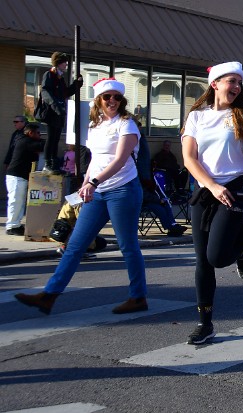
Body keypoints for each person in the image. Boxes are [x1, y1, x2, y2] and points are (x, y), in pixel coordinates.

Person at [15, 78, 147, 315]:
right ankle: (49, 295)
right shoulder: (95, 126)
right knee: (75, 245)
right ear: (98, 100)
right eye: (107, 97)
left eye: (117, 97)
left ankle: (138, 297)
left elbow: (120, 160)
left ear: (122, 100)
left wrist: (94, 182)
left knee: (128, 246)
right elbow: (96, 158)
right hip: (97, 192)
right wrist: (86, 182)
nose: (112, 101)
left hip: (123, 190)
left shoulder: (126, 124)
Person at [181, 61, 243, 345]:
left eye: (239, 83)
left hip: (235, 188)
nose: (236, 87)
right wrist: (211, 185)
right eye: (231, 81)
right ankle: (205, 323)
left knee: (217, 257)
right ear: (215, 84)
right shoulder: (197, 117)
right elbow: (190, 158)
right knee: (203, 262)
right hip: (206, 189)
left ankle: (241, 247)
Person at [133, 124, 187, 237]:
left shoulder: (150, 178)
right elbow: (144, 194)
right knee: (159, 207)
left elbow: (155, 190)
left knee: (166, 203)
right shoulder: (139, 177)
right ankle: (170, 227)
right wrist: (158, 200)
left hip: (151, 197)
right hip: (143, 200)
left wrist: (161, 199)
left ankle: (173, 225)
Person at [40, 51, 83, 174]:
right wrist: (55, 104)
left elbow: (65, 93)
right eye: (64, 62)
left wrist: (76, 84)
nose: (66, 65)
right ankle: (48, 162)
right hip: (52, 112)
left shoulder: (60, 78)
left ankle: (53, 162)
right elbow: (45, 91)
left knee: (56, 137)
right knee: (51, 137)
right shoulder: (49, 75)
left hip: (59, 112)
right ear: (58, 63)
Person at [5, 123, 45, 236]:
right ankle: (12, 226)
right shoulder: (26, 141)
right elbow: (44, 145)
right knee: (15, 200)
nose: (40, 135)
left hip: (20, 176)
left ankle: (16, 224)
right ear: (30, 133)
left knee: (20, 201)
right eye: (37, 133)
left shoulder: (24, 140)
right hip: (16, 176)